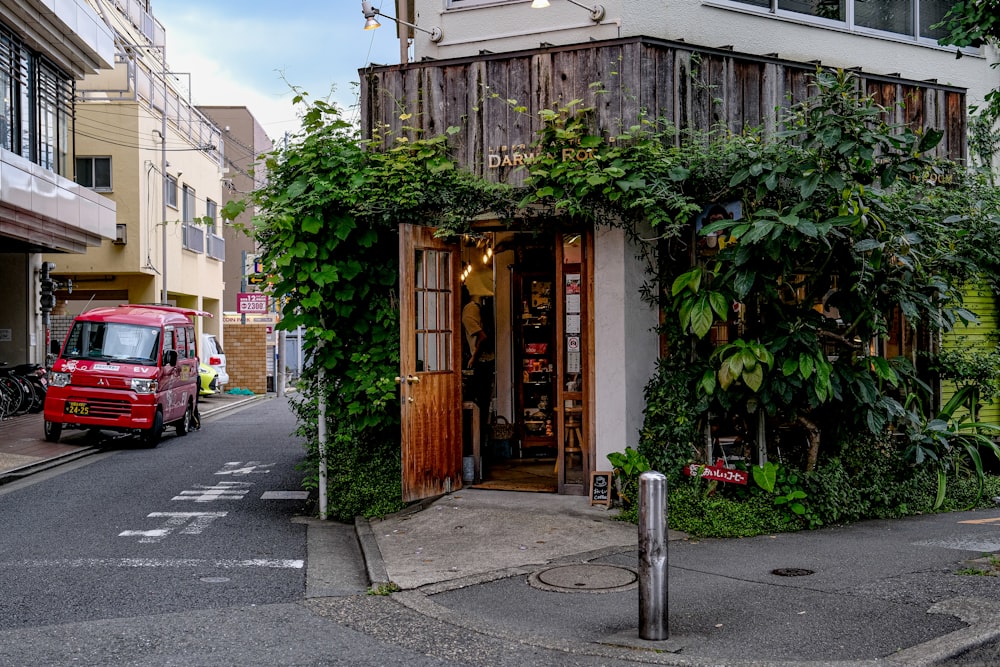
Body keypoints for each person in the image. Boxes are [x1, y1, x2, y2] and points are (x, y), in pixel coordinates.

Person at [462, 285, 494, 447]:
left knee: (476, 405)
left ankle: (475, 445)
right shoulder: (474, 307)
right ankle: (479, 445)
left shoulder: (467, 315)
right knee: (483, 404)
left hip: (482, 364)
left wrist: (474, 357)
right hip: (489, 361)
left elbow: (482, 336)